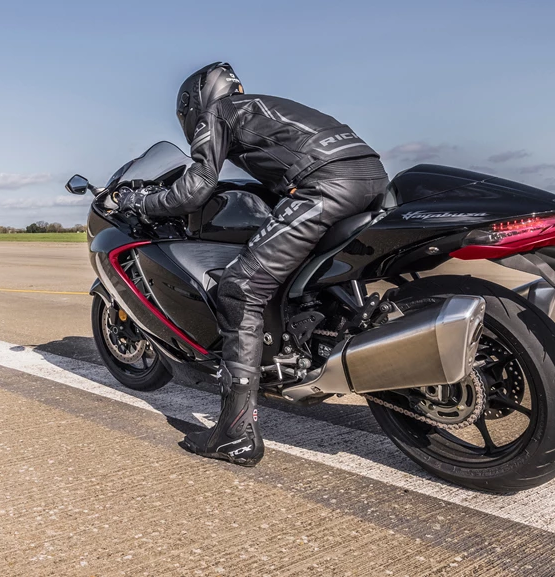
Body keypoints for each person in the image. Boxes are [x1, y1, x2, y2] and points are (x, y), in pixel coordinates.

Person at [117, 62, 389, 467]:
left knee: (240, 289)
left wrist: (142, 202)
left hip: (326, 184)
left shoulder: (218, 112)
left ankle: (235, 433)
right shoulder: (265, 108)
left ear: (193, 102)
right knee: (296, 274)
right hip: (371, 178)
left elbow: (196, 187)